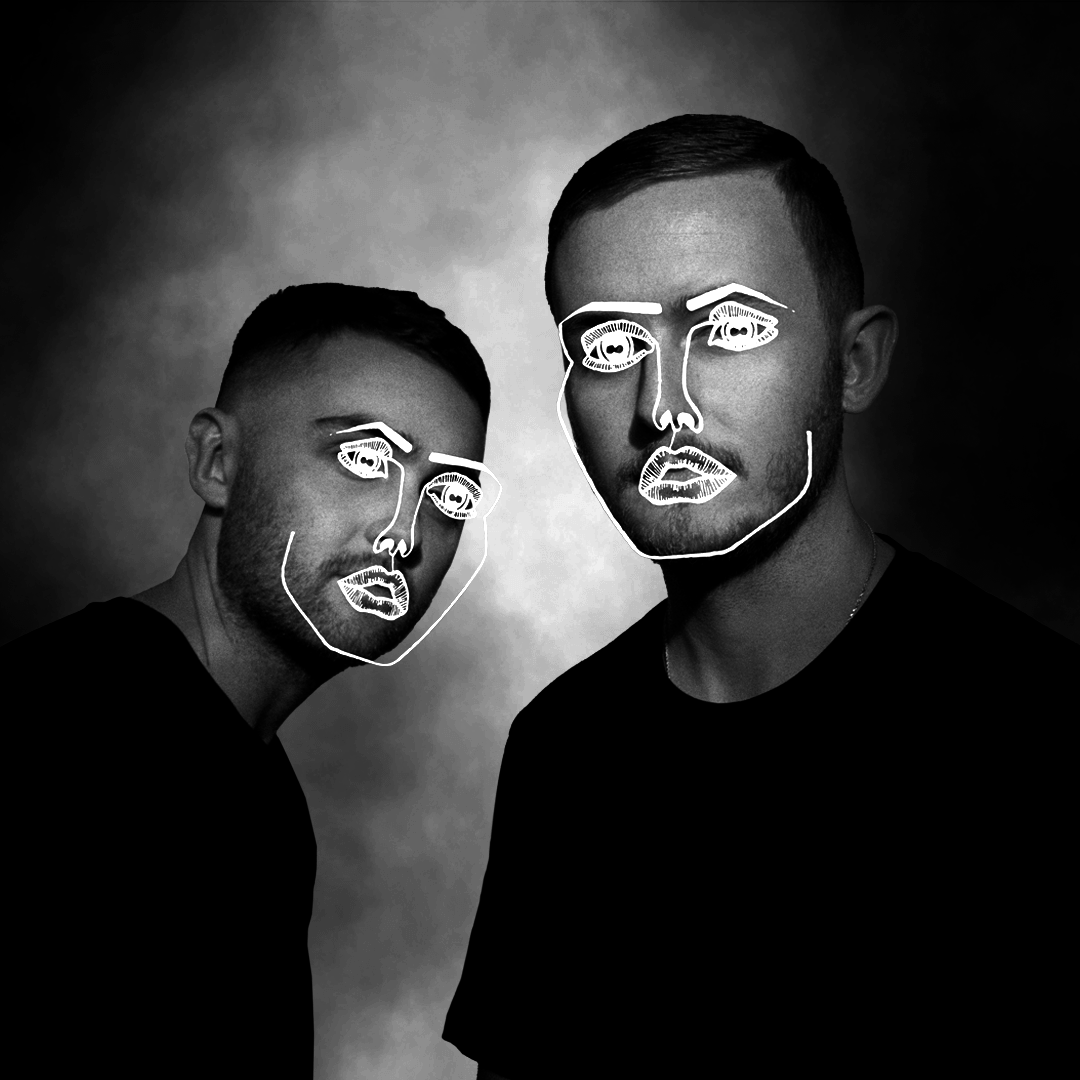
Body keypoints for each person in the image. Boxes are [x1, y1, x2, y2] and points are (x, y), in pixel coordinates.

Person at [443, 115, 1075, 1077]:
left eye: (729, 330)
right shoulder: (563, 753)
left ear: (854, 363)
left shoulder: (1037, 729)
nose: (663, 406)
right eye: (609, 346)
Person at [3, 283, 496, 1077]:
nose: (404, 533)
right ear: (217, 463)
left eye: (449, 493)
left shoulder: (262, 797)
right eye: (365, 459)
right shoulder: (54, 729)